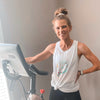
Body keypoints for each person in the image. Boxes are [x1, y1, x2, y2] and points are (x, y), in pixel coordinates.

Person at [25, 8, 100, 100]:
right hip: (55, 91)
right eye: (58, 28)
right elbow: (33, 59)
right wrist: (16, 59)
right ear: (55, 30)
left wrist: (81, 72)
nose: (61, 30)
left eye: (64, 26)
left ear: (70, 28)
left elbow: (98, 65)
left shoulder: (79, 47)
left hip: (71, 92)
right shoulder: (52, 47)